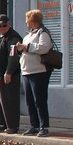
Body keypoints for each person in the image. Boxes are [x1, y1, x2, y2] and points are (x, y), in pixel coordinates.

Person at [15, 9, 53, 137]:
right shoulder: (28, 35)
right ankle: (34, 125)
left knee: (39, 100)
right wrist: (20, 49)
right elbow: (26, 50)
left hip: (39, 71)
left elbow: (44, 48)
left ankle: (44, 126)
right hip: (27, 71)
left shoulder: (43, 33)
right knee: (30, 101)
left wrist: (26, 47)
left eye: (28, 21)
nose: (27, 23)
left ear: (34, 21)